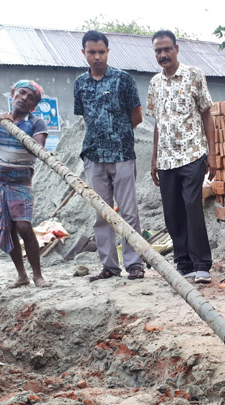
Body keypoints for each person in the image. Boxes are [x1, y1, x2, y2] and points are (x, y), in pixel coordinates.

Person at [75, 30, 145, 282]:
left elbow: (136, 117)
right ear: (83, 53)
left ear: (108, 52)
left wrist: (117, 134)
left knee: (128, 212)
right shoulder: (80, 84)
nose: (97, 57)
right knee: (101, 214)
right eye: (91, 52)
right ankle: (109, 266)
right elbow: (86, 117)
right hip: (93, 156)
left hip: (123, 153)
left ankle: (134, 264)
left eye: (101, 52)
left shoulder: (123, 80)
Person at [147, 30, 216, 284]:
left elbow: (207, 114)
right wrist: (154, 159)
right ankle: (183, 263)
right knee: (172, 211)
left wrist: (213, 153)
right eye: (158, 51)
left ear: (176, 49)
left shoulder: (194, 75)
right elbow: (158, 123)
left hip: (193, 154)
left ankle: (202, 264)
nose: (163, 54)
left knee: (191, 205)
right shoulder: (154, 83)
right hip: (166, 160)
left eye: (167, 49)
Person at [0, 80, 50, 288]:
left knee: (24, 226)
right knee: (6, 226)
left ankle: (38, 275)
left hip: (20, 182)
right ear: (13, 93)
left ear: (34, 105)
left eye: (31, 98)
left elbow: (37, 149)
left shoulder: (36, 123)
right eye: (22, 93)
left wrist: (12, 128)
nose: (24, 98)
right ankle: (22, 275)